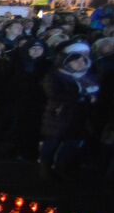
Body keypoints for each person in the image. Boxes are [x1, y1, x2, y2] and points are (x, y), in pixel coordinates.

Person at [38, 43, 100, 179]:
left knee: (72, 142)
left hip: (80, 116)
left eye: (83, 61)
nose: (80, 63)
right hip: (59, 114)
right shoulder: (56, 75)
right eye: (76, 60)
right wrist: (81, 95)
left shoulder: (88, 78)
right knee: (52, 141)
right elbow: (54, 93)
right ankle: (45, 168)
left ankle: (61, 167)